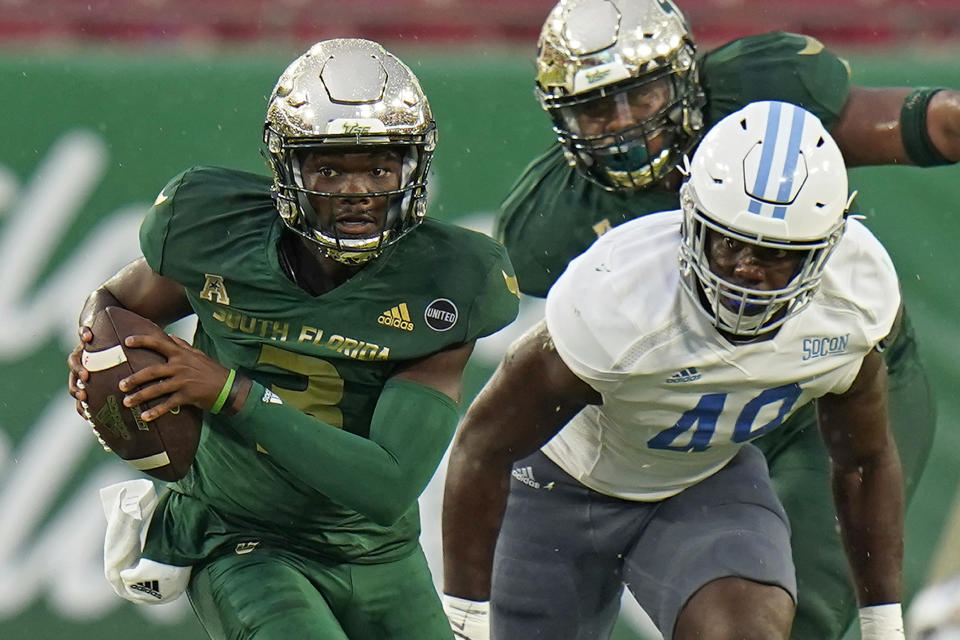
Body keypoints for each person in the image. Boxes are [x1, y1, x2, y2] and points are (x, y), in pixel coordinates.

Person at [493, 0, 959, 637]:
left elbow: (934, 125)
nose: (626, 127)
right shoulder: (551, 226)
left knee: (804, 613)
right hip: (706, 406)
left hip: (838, 373)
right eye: (597, 107)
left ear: (687, 79)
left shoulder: (761, 103)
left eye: (641, 95)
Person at [67, 38, 520, 640]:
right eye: (330, 168)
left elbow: (386, 485)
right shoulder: (215, 231)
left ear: (413, 168)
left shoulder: (449, 280)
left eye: (379, 168)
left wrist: (231, 392)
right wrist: (98, 346)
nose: (357, 191)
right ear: (287, 168)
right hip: (244, 537)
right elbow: (117, 301)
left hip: (376, 551)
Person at [442, 101, 906, 640]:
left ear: (823, 253)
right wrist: (465, 619)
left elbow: (864, 460)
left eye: (775, 254)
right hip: (559, 486)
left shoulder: (852, 302)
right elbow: (483, 446)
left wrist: (883, 626)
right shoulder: (621, 297)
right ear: (692, 220)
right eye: (729, 240)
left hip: (701, 482)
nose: (745, 270)